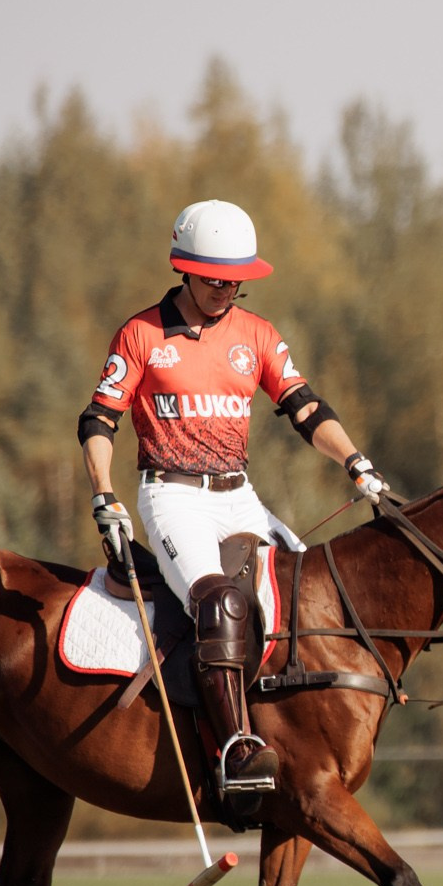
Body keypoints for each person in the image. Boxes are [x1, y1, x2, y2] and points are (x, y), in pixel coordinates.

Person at [78, 198, 387, 797]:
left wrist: (356, 463)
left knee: (310, 597)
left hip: (238, 496)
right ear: (185, 270)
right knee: (217, 604)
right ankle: (234, 750)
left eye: (238, 283)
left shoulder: (257, 335)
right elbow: (98, 421)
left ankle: (303, 738)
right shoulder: (141, 335)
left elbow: (306, 407)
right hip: (173, 498)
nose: (228, 292)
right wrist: (105, 496)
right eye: (218, 280)